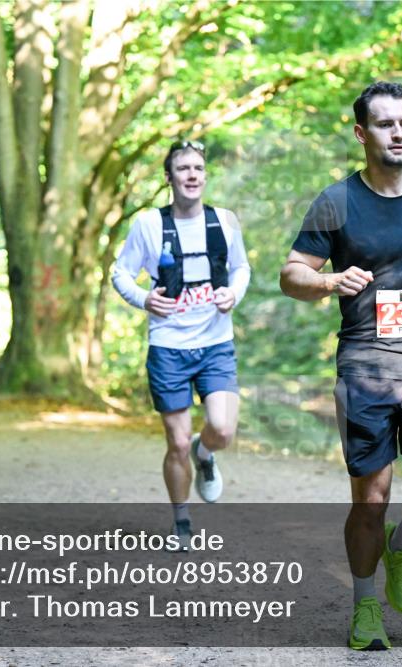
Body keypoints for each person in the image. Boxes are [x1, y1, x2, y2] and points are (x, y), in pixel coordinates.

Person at [279, 82, 402, 650]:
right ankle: (366, 607)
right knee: (370, 497)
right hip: (366, 368)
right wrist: (327, 281)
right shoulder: (337, 201)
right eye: (386, 125)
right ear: (362, 133)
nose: (398, 134)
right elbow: (291, 273)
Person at [112, 140, 250, 551]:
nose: (192, 175)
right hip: (168, 346)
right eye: (183, 168)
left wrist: (233, 295)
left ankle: (204, 454)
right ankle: (181, 523)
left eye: (198, 168)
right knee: (174, 442)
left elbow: (241, 268)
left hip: (215, 343)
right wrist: (143, 298)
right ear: (169, 177)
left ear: (205, 176)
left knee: (222, 429)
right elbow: (121, 272)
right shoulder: (148, 226)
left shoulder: (223, 221)